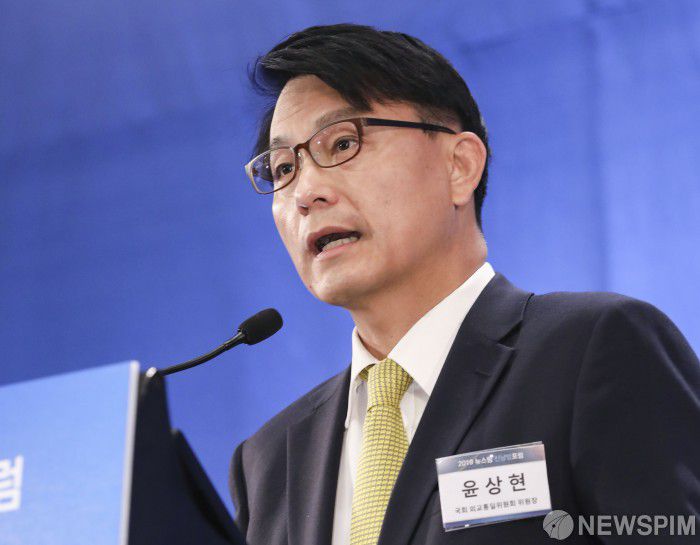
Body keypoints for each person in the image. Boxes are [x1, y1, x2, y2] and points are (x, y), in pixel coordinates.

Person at [229, 24, 700, 545]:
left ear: (459, 166)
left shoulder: (592, 352)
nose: (305, 192)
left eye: (342, 143)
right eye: (283, 168)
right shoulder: (268, 461)